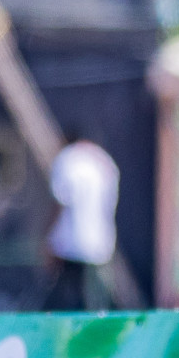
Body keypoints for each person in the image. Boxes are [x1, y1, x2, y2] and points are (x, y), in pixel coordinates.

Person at [43, 130, 119, 311]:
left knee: (68, 307)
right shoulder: (103, 160)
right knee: (96, 306)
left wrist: (49, 239)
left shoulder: (67, 159)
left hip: (70, 247)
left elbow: (59, 203)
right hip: (101, 246)